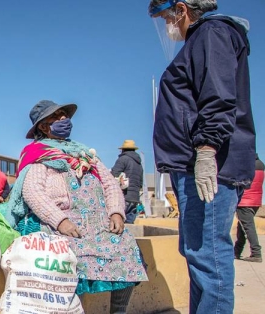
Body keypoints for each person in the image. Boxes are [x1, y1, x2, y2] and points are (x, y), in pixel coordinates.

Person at [149, 1, 256, 313]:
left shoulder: (212, 33)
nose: (167, 26)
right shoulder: (204, 38)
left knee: (208, 254)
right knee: (197, 253)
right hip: (192, 165)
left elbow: (218, 95)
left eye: (166, 17)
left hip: (207, 167)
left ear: (181, 9)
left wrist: (207, 148)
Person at [9, 100, 148, 314]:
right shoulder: (38, 155)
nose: (64, 119)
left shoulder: (84, 154)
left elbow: (110, 184)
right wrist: (61, 221)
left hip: (96, 223)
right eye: (57, 116)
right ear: (44, 127)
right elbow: (33, 192)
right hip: (59, 224)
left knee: (127, 248)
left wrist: (117, 212)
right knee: (71, 258)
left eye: (65, 114)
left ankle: (119, 311)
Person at [234, 154, 264, 263]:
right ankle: (236, 252)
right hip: (255, 200)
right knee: (242, 226)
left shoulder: (245, 165)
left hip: (245, 201)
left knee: (248, 227)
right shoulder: (260, 164)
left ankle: (256, 253)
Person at [111, 140, 144, 224]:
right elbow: (140, 182)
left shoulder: (123, 159)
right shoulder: (139, 163)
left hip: (124, 195)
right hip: (135, 197)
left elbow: (114, 174)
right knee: (130, 224)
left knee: (119, 224)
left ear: (123, 150)